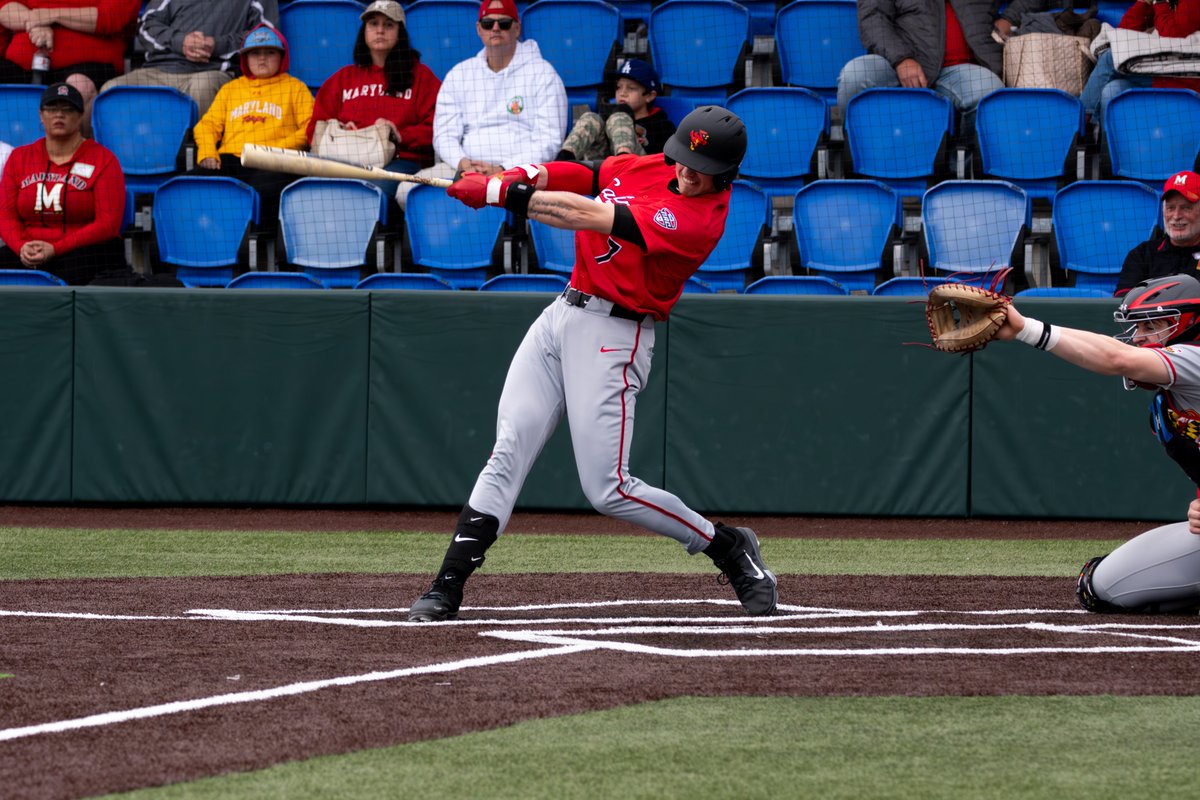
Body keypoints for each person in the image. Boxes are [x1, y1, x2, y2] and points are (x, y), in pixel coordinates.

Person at [406, 106, 779, 623]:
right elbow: (587, 175)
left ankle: (727, 547)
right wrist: (523, 174)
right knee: (508, 449)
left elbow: (585, 213)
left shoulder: (697, 219)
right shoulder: (656, 168)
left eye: (701, 167)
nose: (686, 172)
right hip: (562, 311)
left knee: (608, 489)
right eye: (683, 159)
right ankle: (446, 586)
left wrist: (501, 195)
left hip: (615, 334)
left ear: (726, 174)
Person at [995, 273, 1200, 612]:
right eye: (1138, 329)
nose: (1139, 338)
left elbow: (1117, 358)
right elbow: (1119, 352)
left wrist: (1026, 330)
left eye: (1152, 327)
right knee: (1098, 586)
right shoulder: (1166, 407)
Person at [397, 0, 566, 207]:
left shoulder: (543, 74)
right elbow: (443, 134)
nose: (495, 28)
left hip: (519, 172)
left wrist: (506, 167)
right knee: (408, 190)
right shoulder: (460, 74)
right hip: (464, 169)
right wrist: (462, 162)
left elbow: (549, 139)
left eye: (504, 23)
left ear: (517, 28)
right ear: (479, 29)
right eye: (488, 23)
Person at [306, 0, 439, 196]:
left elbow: (438, 127)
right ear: (364, 31)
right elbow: (314, 128)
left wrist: (400, 135)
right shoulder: (342, 78)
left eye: (388, 25)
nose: (380, 30)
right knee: (309, 187)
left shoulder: (421, 76)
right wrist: (339, 130)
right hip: (344, 159)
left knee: (370, 188)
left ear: (400, 32)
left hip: (399, 160)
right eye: (373, 24)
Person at [0, 82, 127, 283]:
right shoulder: (19, 158)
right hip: (29, 249)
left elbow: (108, 224)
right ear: (41, 116)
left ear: (80, 117)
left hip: (84, 250)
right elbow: (5, 216)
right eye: (52, 109)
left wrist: (56, 248)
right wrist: (21, 246)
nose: (59, 115)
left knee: (74, 270)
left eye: (68, 109)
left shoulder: (104, 159)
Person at [192, 25, 312, 226]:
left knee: (260, 191)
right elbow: (207, 125)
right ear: (245, 58)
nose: (262, 58)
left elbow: (310, 127)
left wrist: (279, 150)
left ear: (282, 56)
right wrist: (207, 151)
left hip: (275, 162)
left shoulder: (295, 87)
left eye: (270, 52)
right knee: (193, 185)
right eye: (255, 53)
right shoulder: (231, 88)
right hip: (231, 159)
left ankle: (253, 244)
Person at [99, 0, 279, 116]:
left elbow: (265, 34)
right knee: (111, 89)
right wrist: (181, 42)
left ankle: (201, 162)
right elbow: (146, 25)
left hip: (213, 70)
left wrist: (216, 45)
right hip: (158, 70)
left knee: (203, 87)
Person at [837, 0, 1004, 124]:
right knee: (854, 76)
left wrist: (1009, 18)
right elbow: (872, 19)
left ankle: (962, 163)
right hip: (898, 61)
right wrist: (901, 59)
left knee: (989, 90)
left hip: (960, 69)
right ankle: (856, 158)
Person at [0, 0, 140, 131]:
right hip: (22, 64)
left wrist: (53, 15)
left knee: (79, 88)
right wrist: (36, 22)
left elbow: (110, 17)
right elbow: (5, 7)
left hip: (88, 65)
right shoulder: (36, 18)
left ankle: (69, 154)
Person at [1077, 0, 1200, 126]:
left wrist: (1160, 2)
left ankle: (1079, 121)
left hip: (1186, 79)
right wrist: (1144, 3)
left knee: (1111, 58)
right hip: (1162, 71)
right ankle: (1100, 141)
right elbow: (1123, 30)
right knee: (1111, 90)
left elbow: (1174, 35)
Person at [556, 59, 675, 161]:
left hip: (637, 173)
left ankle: (623, 163)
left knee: (619, 118)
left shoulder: (661, 125)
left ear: (649, 96)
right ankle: (559, 165)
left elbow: (664, 163)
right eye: (618, 87)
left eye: (631, 88)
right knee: (591, 118)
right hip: (604, 171)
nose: (622, 93)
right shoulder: (608, 117)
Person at [1114, 170, 1200, 296]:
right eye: (1170, 208)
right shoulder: (1142, 255)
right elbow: (1124, 303)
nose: (1176, 216)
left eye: (1186, 208)